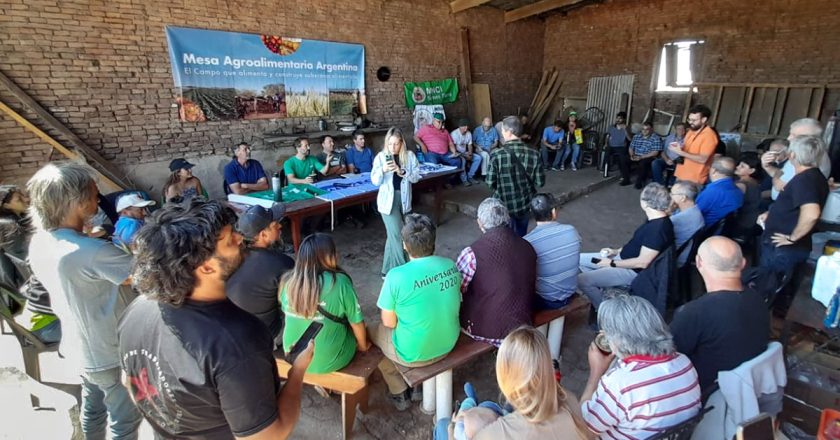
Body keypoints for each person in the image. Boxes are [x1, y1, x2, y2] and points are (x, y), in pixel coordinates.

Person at [119, 200, 312, 439]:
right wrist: (297, 372)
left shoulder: (135, 311)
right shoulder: (238, 342)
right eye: (230, 239)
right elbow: (269, 434)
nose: (240, 239)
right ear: (206, 268)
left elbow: (129, 381)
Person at [27, 162, 142, 439]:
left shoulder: (42, 242)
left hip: (79, 347)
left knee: (93, 409)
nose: (97, 200)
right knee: (125, 421)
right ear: (77, 203)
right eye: (93, 195)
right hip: (109, 351)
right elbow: (142, 273)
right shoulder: (91, 251)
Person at [434, 327, 590, 440]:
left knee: (442, 426)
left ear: (504, 377)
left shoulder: (495, 434)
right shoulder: (570, 401)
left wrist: (452, 429)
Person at [372, 213, 461, 410]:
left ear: (405, 245)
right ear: (434, 241)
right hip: (448, 344)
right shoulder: (450, 266)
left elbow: (389, 323)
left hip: (412, 353)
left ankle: (398, 390)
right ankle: (419, 387)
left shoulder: (395, 277)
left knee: (369, 334)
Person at [581, 295, 701, 438]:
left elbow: (583, 428)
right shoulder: (684, 363)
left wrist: (596, 372)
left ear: (617, 340)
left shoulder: (620, 384)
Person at [670, 237, 769, 395]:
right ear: (743, 263)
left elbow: (667, 358)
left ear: (699, 262)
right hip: (747, 384)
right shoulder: (757, 298)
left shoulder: (694, 313)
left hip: (706, 391)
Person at [280, 233, 368, 373]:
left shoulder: (287, 282)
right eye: (333, 252)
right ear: (325, 257)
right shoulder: (339, 282)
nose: (337, 255)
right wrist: (363, 347)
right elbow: (356, 323)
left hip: (292, 354)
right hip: (328, 361)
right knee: (360, 329)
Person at [578, 183, 674, 308]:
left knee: (582, 280)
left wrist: (611, 264)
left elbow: (642, 263)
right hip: (620, 258)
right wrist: (615, 251)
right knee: (577, 259)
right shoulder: (657, 222)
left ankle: (603, 310)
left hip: (629, 270)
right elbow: (636, 245)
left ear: (645, 203)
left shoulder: (657, 230)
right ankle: (603, 284)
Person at [457, 198, 536, 345]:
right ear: (507, 218)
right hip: (522, 324)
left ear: (480, 223)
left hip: (485, 330)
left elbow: (459, 289)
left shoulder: (471, 253)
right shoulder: (527, 246)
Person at [758, 135, 830, 273]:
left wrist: (792, 238)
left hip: (784, 248)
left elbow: (811, 214)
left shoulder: (805, 180)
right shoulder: (811, 176)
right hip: (786, 246)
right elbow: (783, 183)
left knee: (770, 285)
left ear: (792, 155)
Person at [0, 185, 61, 343]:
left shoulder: (13, 220)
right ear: (5, 205)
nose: (25, 200)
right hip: (23, 285)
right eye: (19, 199)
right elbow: (26, 259)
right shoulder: (10, 225)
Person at [226, 203, 294, 342]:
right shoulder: (282, 264)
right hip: (265, 335)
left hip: (232, 332)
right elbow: (295, 303)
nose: (280, 226)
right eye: (275, 225)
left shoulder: (229, 258)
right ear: (263, 235)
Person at [371, 127, 421, 276]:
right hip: (388, 203)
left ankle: (386, 271)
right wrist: (383, 170)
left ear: (402, 143)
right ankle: (404, 271)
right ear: (386, 143)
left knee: (393, 236)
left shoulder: (409, 156)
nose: (393, 147)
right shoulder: (381, 157)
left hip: (404, 200)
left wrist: (402, 171)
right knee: (399, 235)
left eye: (396, 144)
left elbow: (416, 177)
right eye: (390, 144)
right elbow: (374, 181)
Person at [487, 116, 545, 237]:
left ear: (509, 132)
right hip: (525, 205)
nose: (501, 133)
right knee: (521, 236)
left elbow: (489, 183)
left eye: (503, 130)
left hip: (504, 207)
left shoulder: (497, 155)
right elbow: (540, 182)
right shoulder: (534, 153)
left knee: (506, 238)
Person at [524, 193, 581, 310]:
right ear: (554, 212)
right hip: (570, 293)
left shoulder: (527, 242)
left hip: (545, 299)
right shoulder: (571, 231)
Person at [764, 118, 832, 200]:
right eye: (790, 133)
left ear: (809, 139)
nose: (789, 138)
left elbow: (780, 186)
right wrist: (766, 166)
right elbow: (781, 175)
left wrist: (776, 177)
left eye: (794, 135)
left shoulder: (809, 158)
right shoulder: (801, 153)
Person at [670, 104, 718, 184]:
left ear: (704, 119)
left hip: (694, 179)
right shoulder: (691, 131)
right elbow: (687, 149)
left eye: (694, 120)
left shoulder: (709, 136)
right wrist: (678, 148)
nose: (690, 122)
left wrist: (681, 152)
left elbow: (703, 159)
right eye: (689, 120)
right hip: (681, 173)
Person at [415, 113, 466, 183]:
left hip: (445, 154)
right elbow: (415, 137)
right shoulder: (426, 128)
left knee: (457, 161)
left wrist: (454, 152)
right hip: (431, 153)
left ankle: (449, 181)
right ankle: (436, 184)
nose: (440, 124)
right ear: (433, 121)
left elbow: (450, 143)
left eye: (442, 122)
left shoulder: (445, 131)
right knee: (433, 164)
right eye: (438, 122)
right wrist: (422, 145)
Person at [695, 156, 744, 227]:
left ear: (713, 171)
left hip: (704, 230)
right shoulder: (737, 190)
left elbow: (695, 213)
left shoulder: (713, 191)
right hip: (722, 231)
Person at [669, 181, 705, 267]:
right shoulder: (695, 210)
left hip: (674, 258)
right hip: (685, 253)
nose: (669, 196)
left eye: (672, 194)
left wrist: (668, 209)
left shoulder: (677, 220)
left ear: (682, 198)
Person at [733, 153, 764, 238]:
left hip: (742, 222)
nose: (737, 167)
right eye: (739, 164)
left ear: (751, 171)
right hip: (752, 220)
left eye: (742, 166)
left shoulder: (741, 184)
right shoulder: (754, 182)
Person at [629, 122, 663, 188]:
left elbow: (655, 152)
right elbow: (631, 147)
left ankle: (639, 182)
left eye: (647, 129)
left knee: (643, 163)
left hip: (648, 156)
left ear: (651, 130)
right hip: (636, 155)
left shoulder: (656, 138)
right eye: (643, 129)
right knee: (623, 158)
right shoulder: (637, 136)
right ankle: (626, 179)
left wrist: (641, 157)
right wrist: (632, 155)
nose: (644, 131)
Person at [604, 111, 632, 186]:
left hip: (621, 147)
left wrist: (625, 130)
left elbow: (630, 139)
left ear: (624, 119)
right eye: (617, 118)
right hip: (611, 146)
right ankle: (606, 171)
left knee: (623, 159)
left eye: (620, 119)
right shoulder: (611, 127)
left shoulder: (627, 127)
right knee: (606, 154)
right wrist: (606, 144)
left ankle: (626, 179)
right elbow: (607, 136)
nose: (618, 120)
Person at [451, 118, 481, 185]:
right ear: (460, 127)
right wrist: (463, 155)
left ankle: (470, 176)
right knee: (463, 160)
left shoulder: (468, 133)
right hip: (457, 153)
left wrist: (470, 154)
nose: (466, 127)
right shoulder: (454, 134)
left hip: (465, 152)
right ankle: (464, 180)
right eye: (464, 126)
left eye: (467, 126)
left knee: (478, 158)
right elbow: (453, 148)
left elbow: (470, 145)